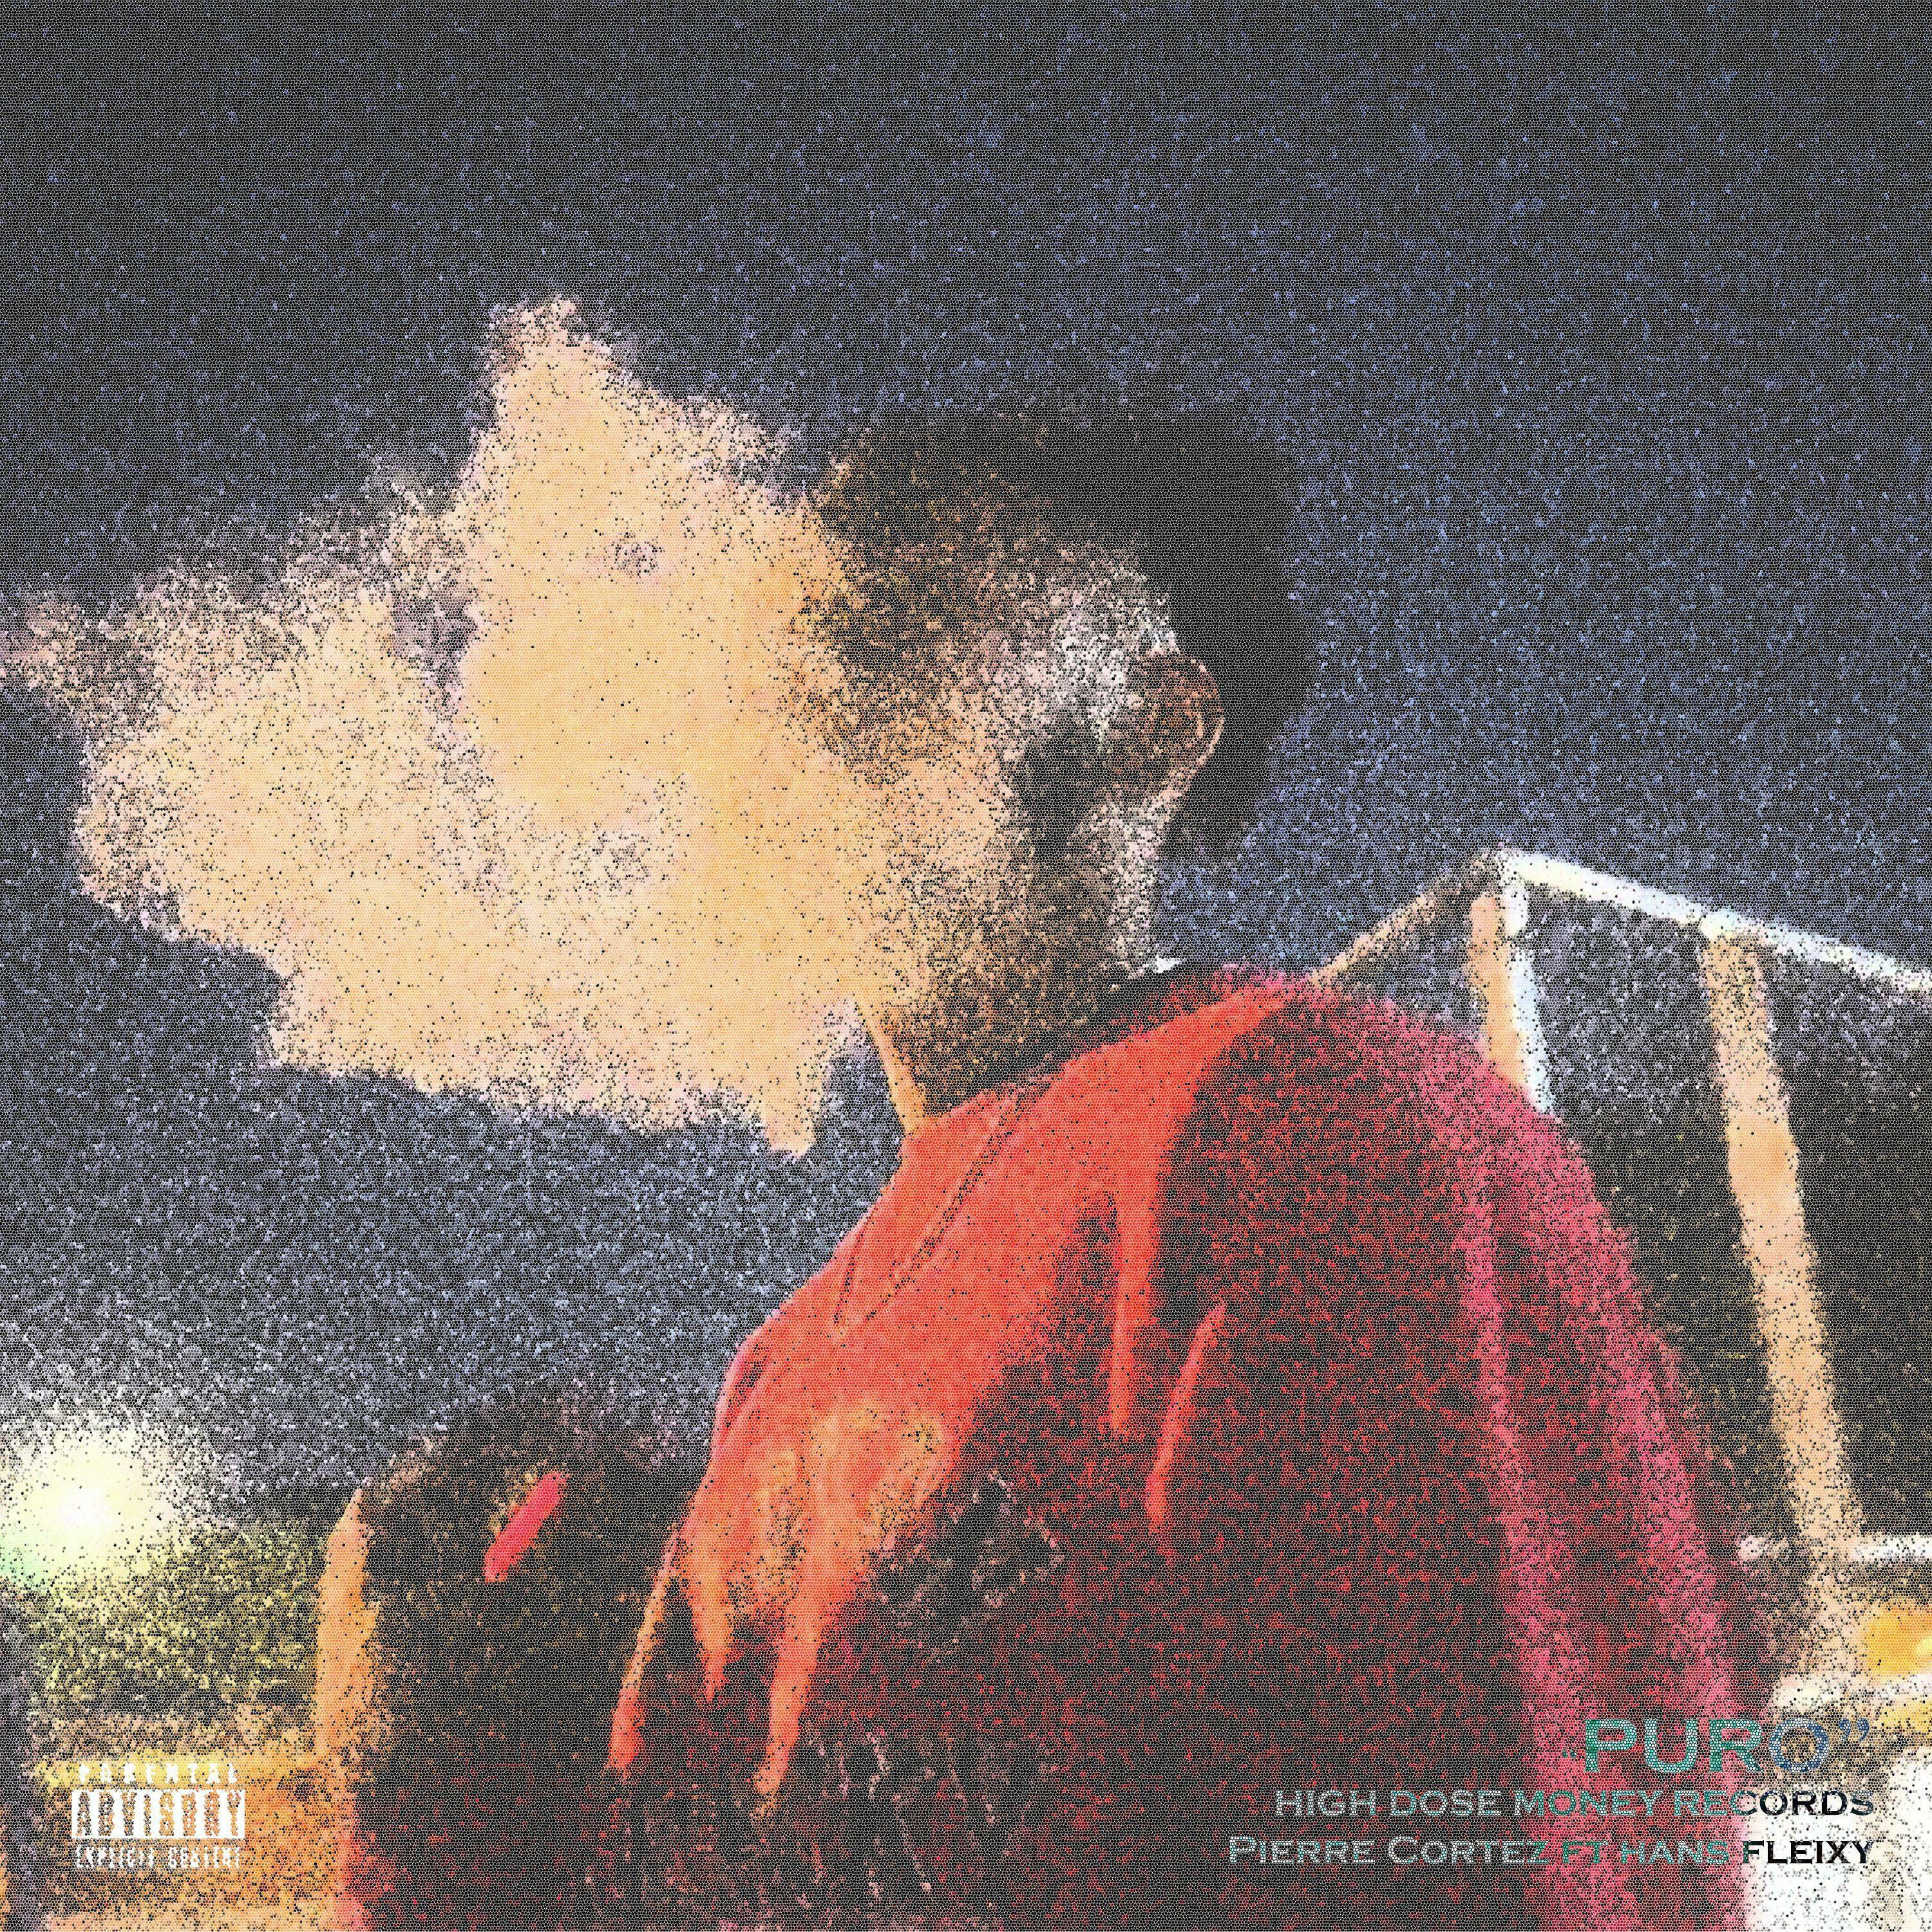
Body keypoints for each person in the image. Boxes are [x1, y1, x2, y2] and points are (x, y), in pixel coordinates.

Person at [318, 404, 1760, 1930]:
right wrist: (437, 1810)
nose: (804, 674)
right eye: (788, 634)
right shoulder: (779, 1370)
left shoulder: (1304, 1126)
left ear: (1154, 724)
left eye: (902, 615)